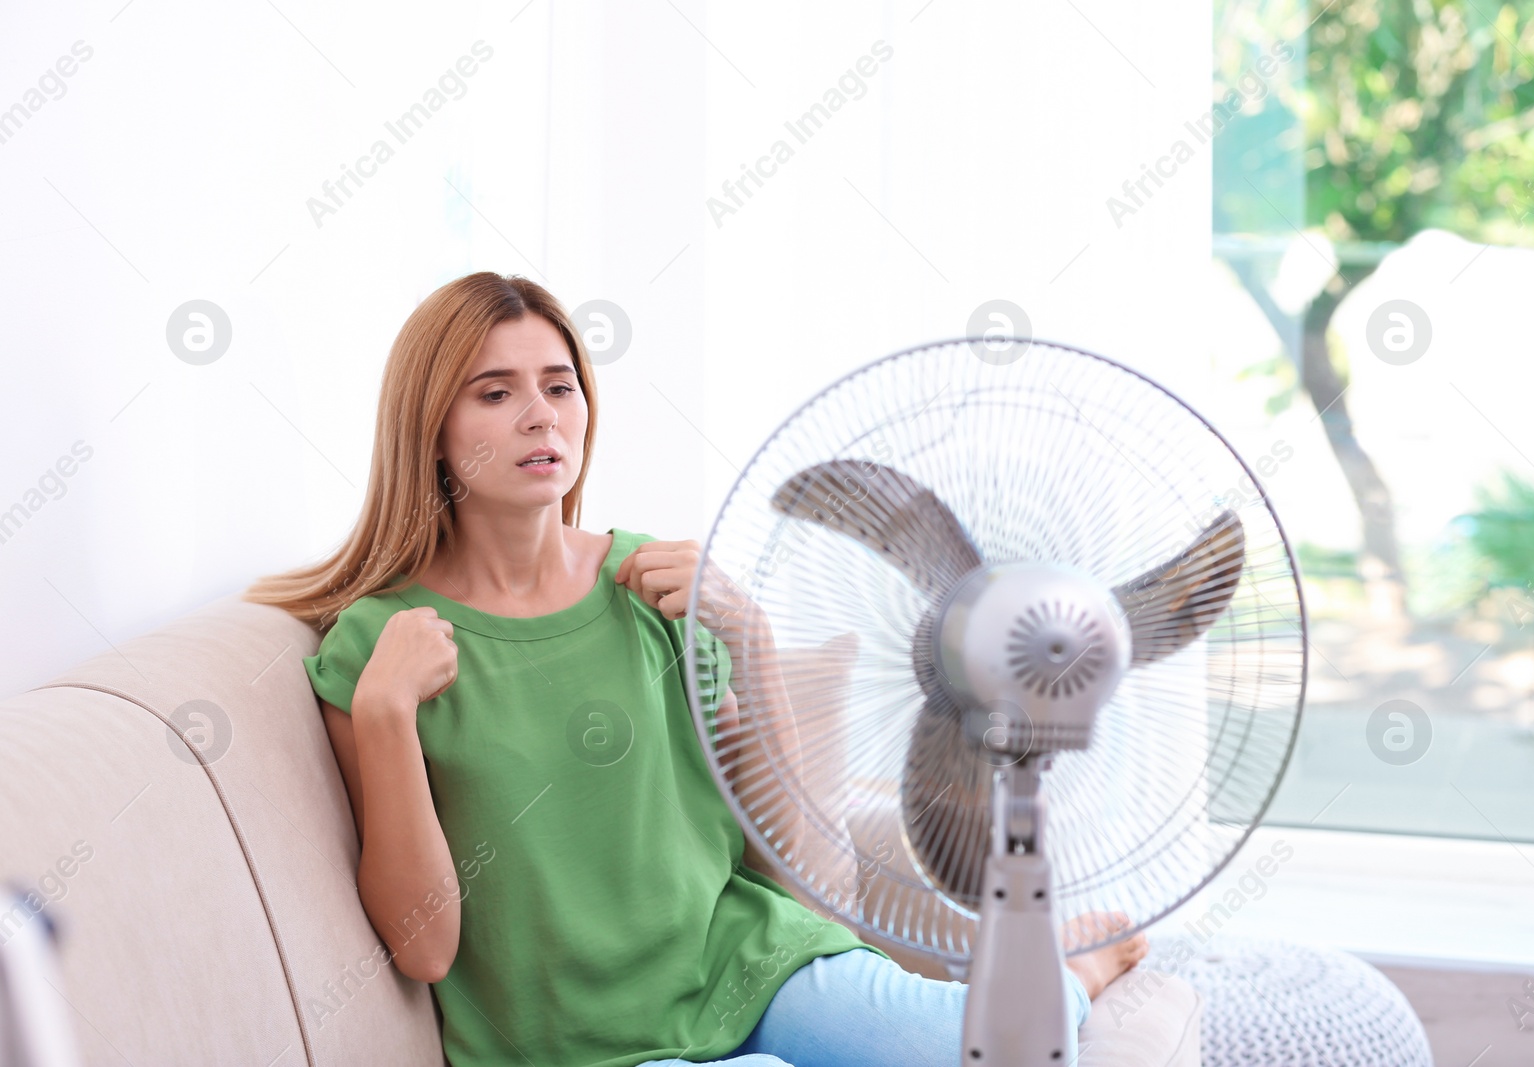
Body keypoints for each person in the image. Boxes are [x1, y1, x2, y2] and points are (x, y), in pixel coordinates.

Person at [244, 271, 1147, 1067]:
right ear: (430, 428)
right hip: (581, 1049)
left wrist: (748, 641)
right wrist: (386, 714)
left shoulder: (654, 586)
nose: (540, 414)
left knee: (1006, 1045)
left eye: (560, 385)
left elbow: (811, 879)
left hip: (750, 967)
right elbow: (425, 948)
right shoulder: (379, 645)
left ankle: (1072, 969)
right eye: (494, 392)